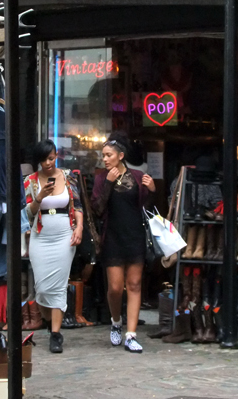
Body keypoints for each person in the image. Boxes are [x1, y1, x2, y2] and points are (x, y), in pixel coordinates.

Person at [91, 135, 154, 353]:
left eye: (109, 155)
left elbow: (145, 207)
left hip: (135, 236)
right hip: (113, 237)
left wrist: (152, 190)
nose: (105, 159)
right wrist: (108, 182)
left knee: (135, 285)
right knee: (116, 288)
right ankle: (116, 321)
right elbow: (97, 209)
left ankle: (131, 334)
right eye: (103, 156)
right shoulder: (101, 178)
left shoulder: (137, 177)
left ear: (121, 156)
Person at [24, 140, 82, 354]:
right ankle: (50, 323)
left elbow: (78, 204)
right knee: (41, 288)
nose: (48, 163)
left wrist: (80, 228)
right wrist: (40, 196)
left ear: (56, 155)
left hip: (63, 235)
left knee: (58, 287)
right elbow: (29, 212)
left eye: (51, 158)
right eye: (43, 160)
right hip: (41, 235)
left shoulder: (68, 177)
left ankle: (56, 334)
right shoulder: (30, 181)